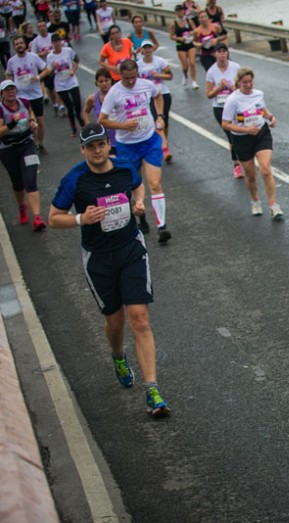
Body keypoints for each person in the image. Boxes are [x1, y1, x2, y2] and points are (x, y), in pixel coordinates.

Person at [49, 123, 171, 417]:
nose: (97, 150)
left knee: (139, 318)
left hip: (131, 250)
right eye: (91, 146)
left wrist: (138, 202)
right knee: (115, 322)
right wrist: (81, 219)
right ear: (83, 149)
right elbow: (53, 218)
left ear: (108, 144)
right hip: (99, 259)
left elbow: (137, 186)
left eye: (101, 144)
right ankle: (118, 355)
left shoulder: (124, 167)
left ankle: (153, 391)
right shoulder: (75, 179)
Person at [98, 59, 171, 243]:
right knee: (133, 185)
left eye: (133, 77)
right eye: (126, 78)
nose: (131, 81)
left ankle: (162, 227)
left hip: (149, 141)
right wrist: (123, 125)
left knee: (155, 183)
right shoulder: (115, 92)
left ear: (137, 73)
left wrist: (160, 116)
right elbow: (102, 120)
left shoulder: (146, 85)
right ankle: (141, 217)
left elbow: (158, 96)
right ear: (120, 75)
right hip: (127, 145)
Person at [221, 66, 283, 220]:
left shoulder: (258, 94)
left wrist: (271, 117)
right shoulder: (233, 100)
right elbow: (225, 124)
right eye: (245, 82)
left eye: (250, 81)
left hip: (261, 134)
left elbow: (262, 109)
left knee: (266, 170)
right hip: (242, 139)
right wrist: (246, 130)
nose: (248, 85)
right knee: (251, 175)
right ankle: (255, 200)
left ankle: (274, 205)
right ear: (238, 83)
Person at [0, 79, 45, 231]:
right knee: (18, 183)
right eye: (7, 90)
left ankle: (37, 218)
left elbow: (31, 115)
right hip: (8, 149)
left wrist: (33, 123)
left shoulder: (24, 102)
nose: (11, 92)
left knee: (30, 181)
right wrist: (12, 123)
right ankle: (21, 206)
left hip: (27, 145)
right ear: (2, 93)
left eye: (12, 89)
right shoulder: (1, 109)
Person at [6, 35, 48, 154]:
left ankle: (40, 143)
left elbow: (46, 69)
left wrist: (38, 77)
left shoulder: (33, 57)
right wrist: (11, 86)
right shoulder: (11, 61)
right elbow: (8, 74)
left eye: (21, 43)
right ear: (14, 47)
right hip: (21, 97)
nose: (19, 45)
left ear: (25, 44)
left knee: (39, 121)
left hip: (36, 95)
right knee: (28, 122)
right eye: (16, 44)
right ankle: (32, 144)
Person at [204, 41, 241, 178]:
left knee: (240, 134)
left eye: (224, 51)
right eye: (219, 52)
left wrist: (233, 88)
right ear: (214, 54)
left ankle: (243, 157)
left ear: (227, 53)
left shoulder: (236, 67)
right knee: (231, 135)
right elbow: (209, 94)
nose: (222, 54)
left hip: (236, 106)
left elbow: (244, 87)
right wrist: (219, 87)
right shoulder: (211, 72)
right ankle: (236, 164)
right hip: (220, 108)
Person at [136, 40, 172, 163]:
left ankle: (164, 142)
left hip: (163, 94)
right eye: (144, 48)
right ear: (141, 50)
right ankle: (165, 150)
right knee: (157, 120)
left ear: (152, 49)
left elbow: (170, 76)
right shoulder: (138, 65)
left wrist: (158, 75)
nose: (147, 50)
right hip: (149, 97)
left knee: (165, 120)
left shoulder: (160, 61)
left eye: (149, 47)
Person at [45, 32, 83, 136]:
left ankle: (80, 120)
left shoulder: (68, 51)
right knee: (69, 106)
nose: (57, 43)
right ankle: (73, 129)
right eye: (55, 42)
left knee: (77, 105)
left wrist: (73, 70)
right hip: (60, 85)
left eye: (58, 41)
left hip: (72, 82)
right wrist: (53, 68)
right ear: (52, 43)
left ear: (61, 42)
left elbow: (77, 60)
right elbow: (49, 74)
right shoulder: (50, 57)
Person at [82, 67, 116, 154]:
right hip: (104, 139)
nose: (104, 84)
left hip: (121, 137)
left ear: (111, 81)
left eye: (106, 80)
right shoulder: (93, 98)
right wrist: (88, 125)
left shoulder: (119, 95)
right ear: (96, 83)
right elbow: (86, 111)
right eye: (101, 82)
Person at [169, 4, 197, 89]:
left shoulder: (189, 21)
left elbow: (196, 30)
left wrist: (192, 33)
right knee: (185, 66)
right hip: (180, 45)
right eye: (177, 11)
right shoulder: (174, 23)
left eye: (181, 10)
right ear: (176, 12)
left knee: (192, 63)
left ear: (183, 11)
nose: (179, 12)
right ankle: (185, 75)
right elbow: (171, 36)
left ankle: (194, 81)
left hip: (190, 43)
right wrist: (180, 38)